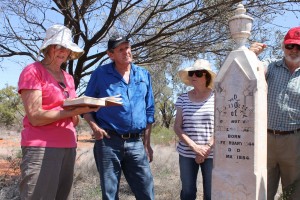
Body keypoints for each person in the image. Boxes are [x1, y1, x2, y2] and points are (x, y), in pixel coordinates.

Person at [18, 24, 98, 199]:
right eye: (59, 47)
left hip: (68, 146)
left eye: (67, 49)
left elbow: (75, 121)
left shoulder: (68, 78)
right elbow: (36, 117)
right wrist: (73, 111)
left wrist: (82, 108)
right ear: (48, 47)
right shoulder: (33, 71)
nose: (63, 52)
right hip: (41, 148)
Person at [83, 34, 155, 200]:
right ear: (110, 54)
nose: (126, 52)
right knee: (110, 194)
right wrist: (95, 128)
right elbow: (86, 105)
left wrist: (147, 143)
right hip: (108, 142)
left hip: (136, 143)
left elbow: (149, 111)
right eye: (120, 49)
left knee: (146, 192)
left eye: (128, 47)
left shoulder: (143, 75)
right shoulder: (100, 74)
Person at [250, 26, 300, 200]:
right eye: (290, 46)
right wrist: (250, 55)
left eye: (298, 47)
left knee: (294, 193)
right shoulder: (270, 66)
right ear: (283, 47)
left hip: (294, 141)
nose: (294, 50)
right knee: (262, 191)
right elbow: (253, 72)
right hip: (267, 140)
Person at [173, 59, 216, 200]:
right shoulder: (182, 99)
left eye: (198, 73)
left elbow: (221, 127)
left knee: (211, 193)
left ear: (207, 76)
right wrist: (194, 147)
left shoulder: (218, 97)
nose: (194, 77)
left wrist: (206, 148)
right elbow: (177, 127)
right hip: (187, 152)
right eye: (192, 73)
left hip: (211, 153)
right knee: (188, 192)